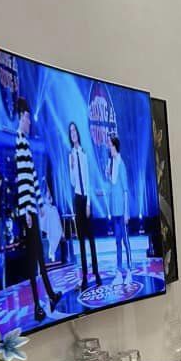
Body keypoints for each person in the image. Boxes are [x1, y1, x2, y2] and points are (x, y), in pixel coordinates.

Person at [15, 98, 60, 323]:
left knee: (40, 257)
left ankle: (50, 295)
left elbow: (32, 178)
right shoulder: (19, 143)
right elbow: (22, 180)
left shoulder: (25, 142)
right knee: (33, 260)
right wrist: (27, 211)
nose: (29, 122)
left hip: (32, 208)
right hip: (28, 212)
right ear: (19, 118)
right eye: (26, 118)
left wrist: (40, 204)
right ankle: (36, 306)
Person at [68, 122, 100, 290]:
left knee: (91, 239)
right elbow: (74, 182)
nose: (73, 133)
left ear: (78, 133)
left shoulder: (84, 153)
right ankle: (85, 276)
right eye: (70, 131)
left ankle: (97, 272)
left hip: (86, 199)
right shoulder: (71, 155)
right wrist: (72, 166)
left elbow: (87, 180)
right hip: (77, 199)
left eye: (74, 130)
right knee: (81, 241)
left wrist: (88, 203)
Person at [107, 134, 133, 287]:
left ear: (115, 146)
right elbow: (112, 185)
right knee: (117, 241)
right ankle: (119, 272)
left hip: (122, 212)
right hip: (115, 211)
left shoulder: (121, 164)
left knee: (125, 241)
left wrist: (127, 212)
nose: (109, 148)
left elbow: (125, 191)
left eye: (110, 145)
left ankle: (129, 271)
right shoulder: (111, 164)